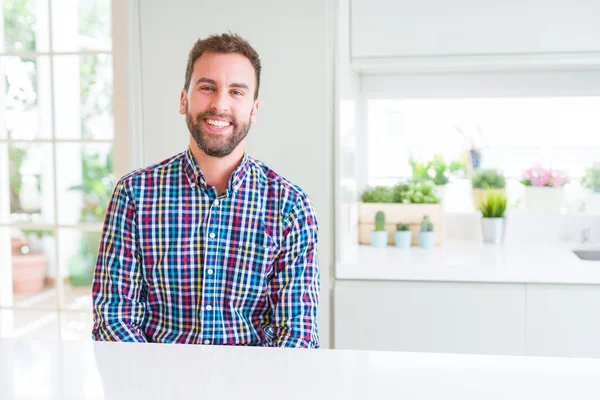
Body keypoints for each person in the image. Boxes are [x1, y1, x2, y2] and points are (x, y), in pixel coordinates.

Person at [91, 33, 320, 348]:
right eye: (207, 87)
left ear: (254, 109)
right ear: (184, 99)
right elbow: (114, 319)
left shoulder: (290, 206)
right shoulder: (134, 195)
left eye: (236, 91)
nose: (219, 104)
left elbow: (298, 334)